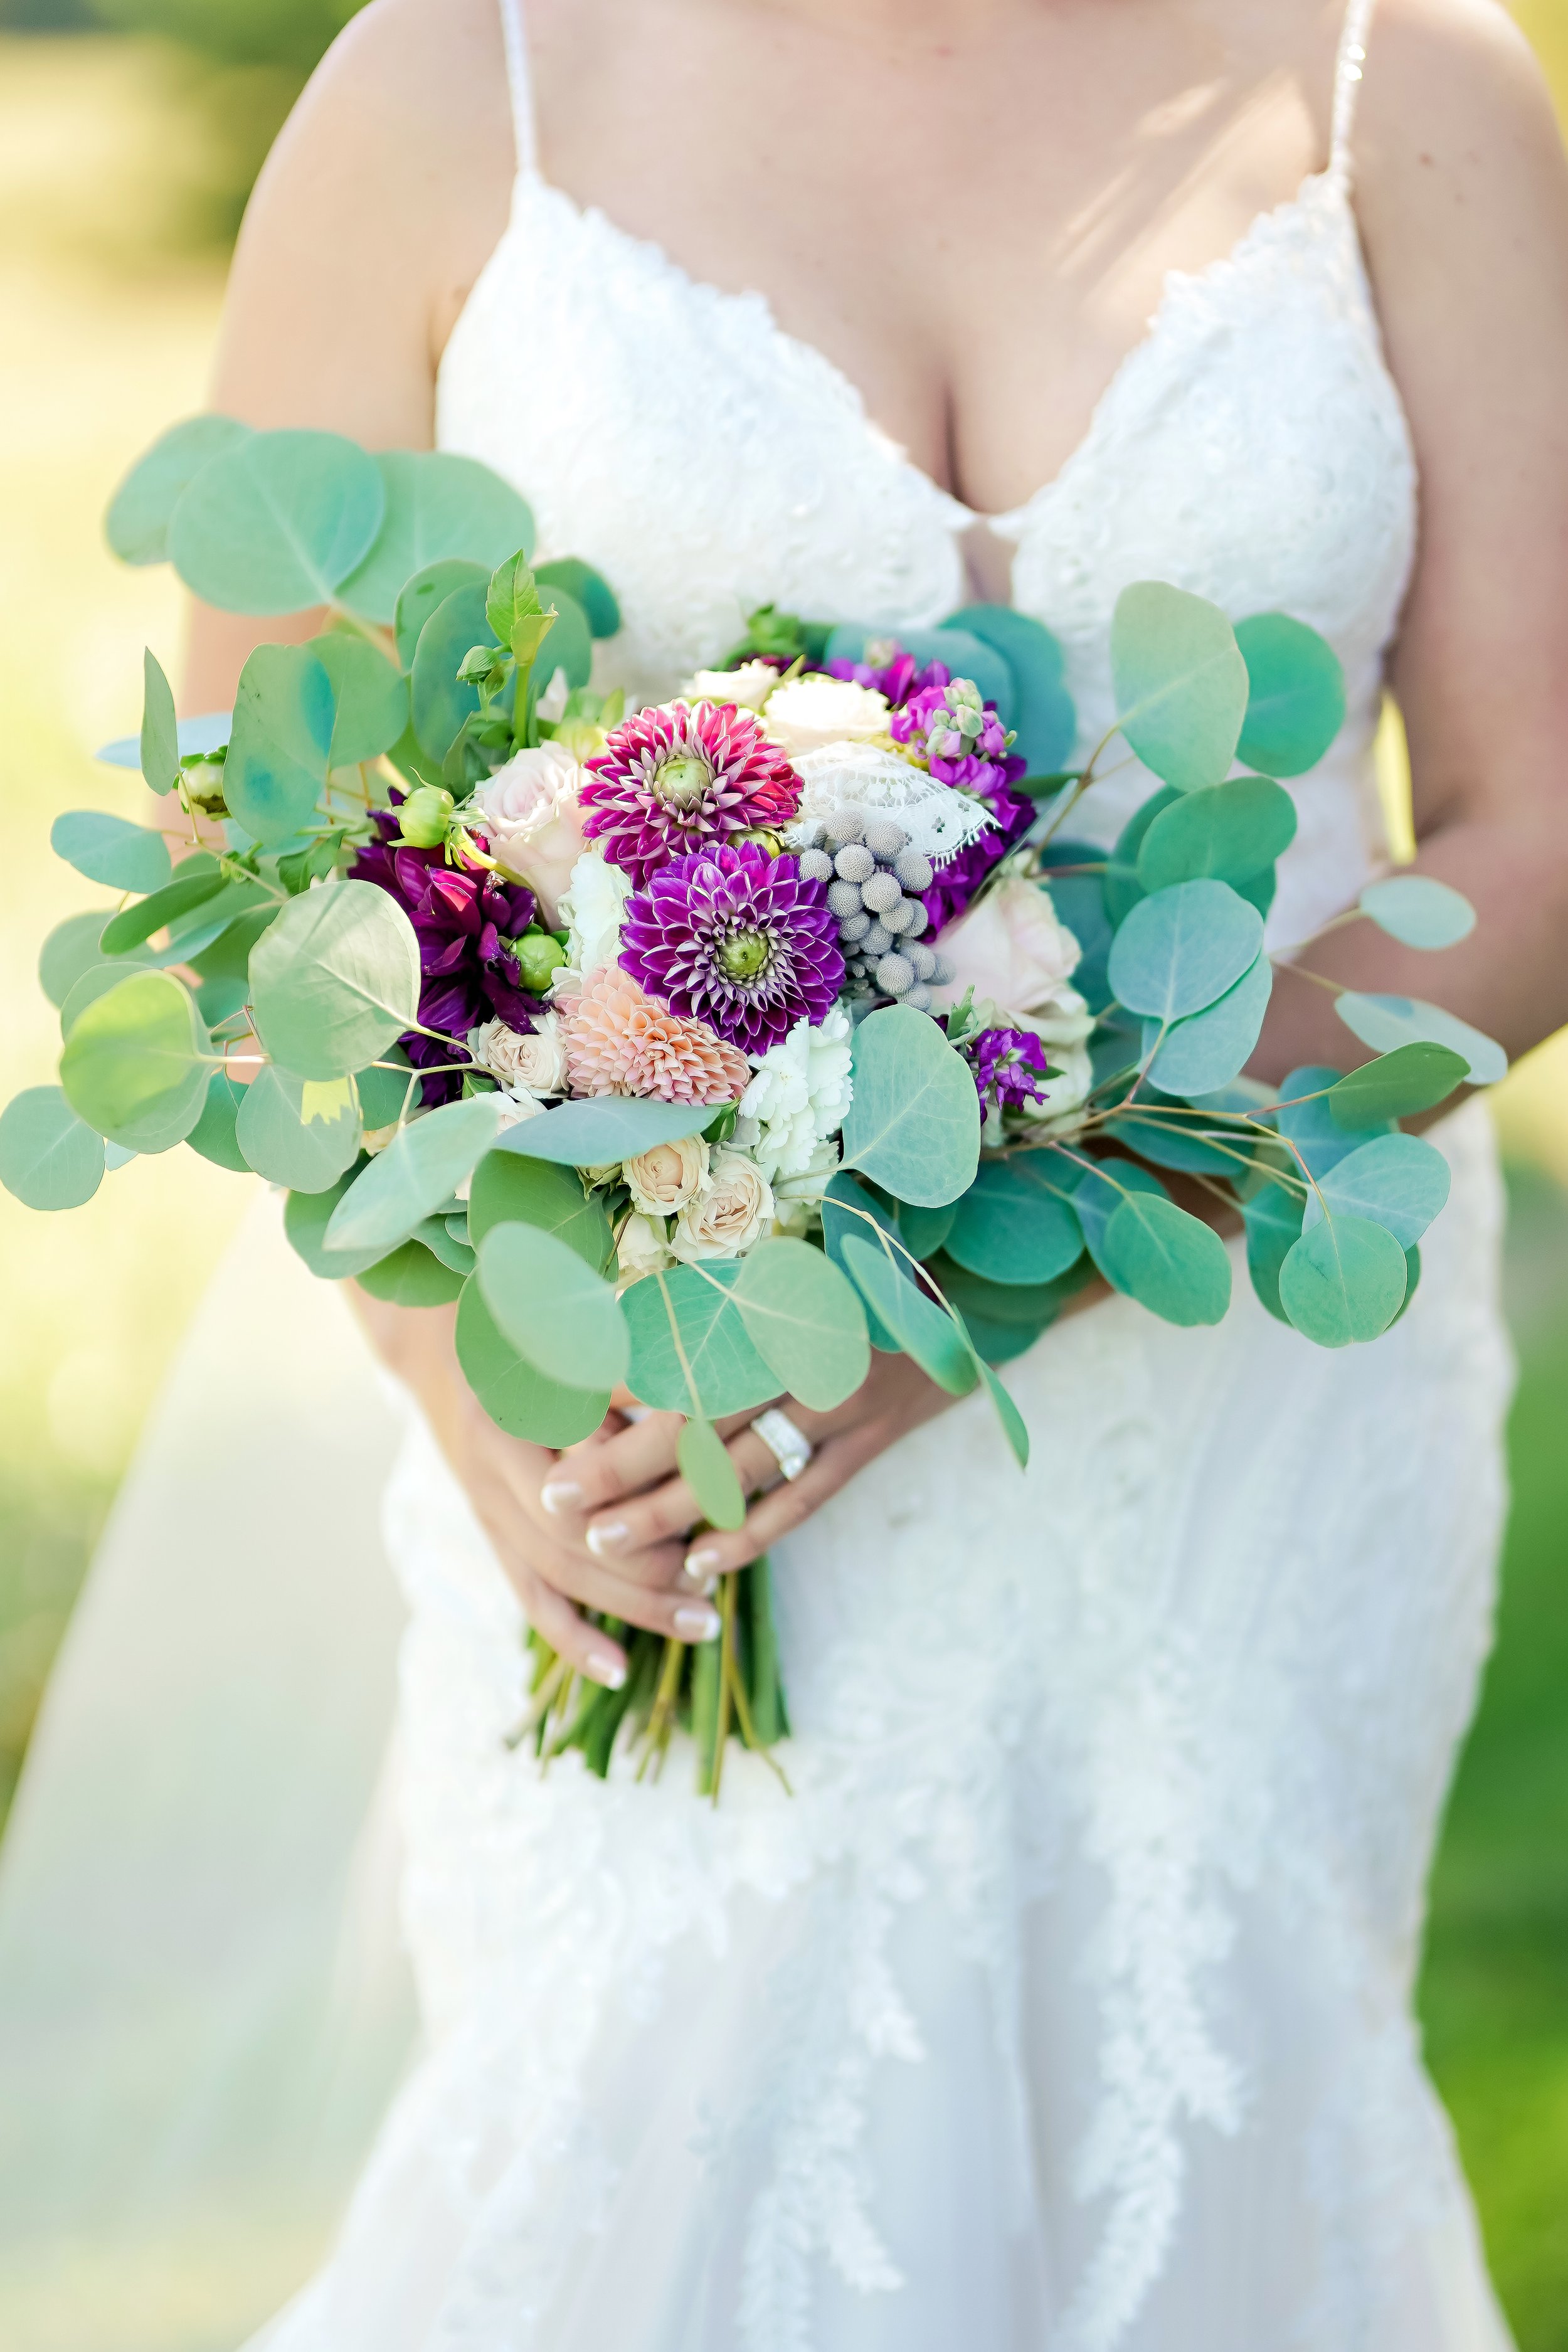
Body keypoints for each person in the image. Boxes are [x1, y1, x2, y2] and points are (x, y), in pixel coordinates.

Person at [93, 0, 1568, 2341]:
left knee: (1215, 2126)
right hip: (656, 1429)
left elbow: (1537, 824)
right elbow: (276, 872)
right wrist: (456, 1356)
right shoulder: (448, 87)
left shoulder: (1405, 80)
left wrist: (987, 1272)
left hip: (1237, 1425)